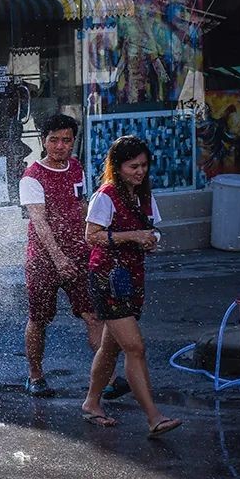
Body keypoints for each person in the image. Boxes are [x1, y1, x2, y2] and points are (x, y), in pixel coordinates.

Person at [80, 135, 182, 438]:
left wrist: (151, 240)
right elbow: (92, 236)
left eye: (144, 165)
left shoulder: (144, 196)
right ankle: (154, 417)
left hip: (132, 279)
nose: (140, 171)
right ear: (117, 166)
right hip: (106, 278)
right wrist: (134, 236)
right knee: (135, 347)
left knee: (111, 347)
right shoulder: (105, 196)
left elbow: (152, 231)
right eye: (133, 166)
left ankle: (91, 403)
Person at [19, 114, 121, 398]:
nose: (60, 146)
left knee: (92, 315)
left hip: (79, 255)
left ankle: (110, 378)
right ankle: (35, 376)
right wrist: (58, 259)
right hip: (43, 260)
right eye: (54, 140)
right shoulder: (32, 177)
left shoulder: (76, 168)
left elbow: (82, 207)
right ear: (43, 140)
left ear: (73, 142)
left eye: (66, 140)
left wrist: (95, 242)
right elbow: (39, 224)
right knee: (39, 319)